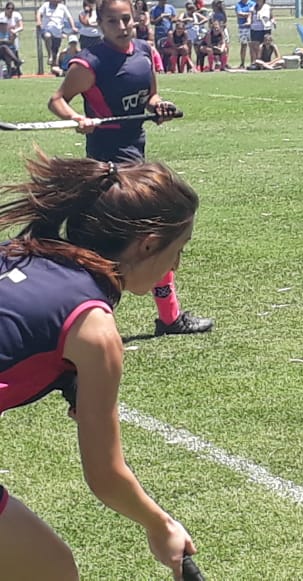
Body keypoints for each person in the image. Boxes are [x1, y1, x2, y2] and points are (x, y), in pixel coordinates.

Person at [0, 150, 200, 581]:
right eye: (178, 250)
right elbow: (105, 475)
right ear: (148, 244)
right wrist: (160, 524)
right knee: (50, 572)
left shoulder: (16, 252)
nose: (176, 266)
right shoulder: (93, 329)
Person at [48, 0, 215, 336]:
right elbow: (57, 99)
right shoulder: (89, 63)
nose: (122, 26)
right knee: (129, 240)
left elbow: (150, 97)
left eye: (126, 19)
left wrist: (159, 107)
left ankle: (167, 318)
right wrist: (77, 118)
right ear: (100, 24)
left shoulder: (143, 52)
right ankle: (85, 319)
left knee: (155, 233)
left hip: (136, 155)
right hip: (108, 163)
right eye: (113, 21)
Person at [37, 0, 77, 68]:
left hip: (58, 32)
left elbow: (69, 17)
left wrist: (73, 27)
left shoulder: (62, 7)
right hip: (46, 29)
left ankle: (53, 68)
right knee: (47, 36)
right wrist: (39, 21)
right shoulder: (45, 5)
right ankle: (49, 55)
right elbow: (39, 13)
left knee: (55, 52)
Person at [248, 0, 272, 64]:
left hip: (265, 29)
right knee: (254, 46)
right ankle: (255, 62)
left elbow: (271, 17)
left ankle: (265, 61)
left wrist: (273, 21)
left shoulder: (267, 7)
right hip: (255, 29)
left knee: (265, 45)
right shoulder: (253, 8)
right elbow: (249, 17)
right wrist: (249, 22)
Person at [232, 0, 253, 68]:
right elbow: (239, 14)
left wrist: (247, 15)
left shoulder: (252, 3)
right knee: (243, 45)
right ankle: (242, 63)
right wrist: (249, 14)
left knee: (252, 46)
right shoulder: (238, 4)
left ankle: (253, 63)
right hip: (242, 27)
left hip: (252, 27)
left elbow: (254, 13)